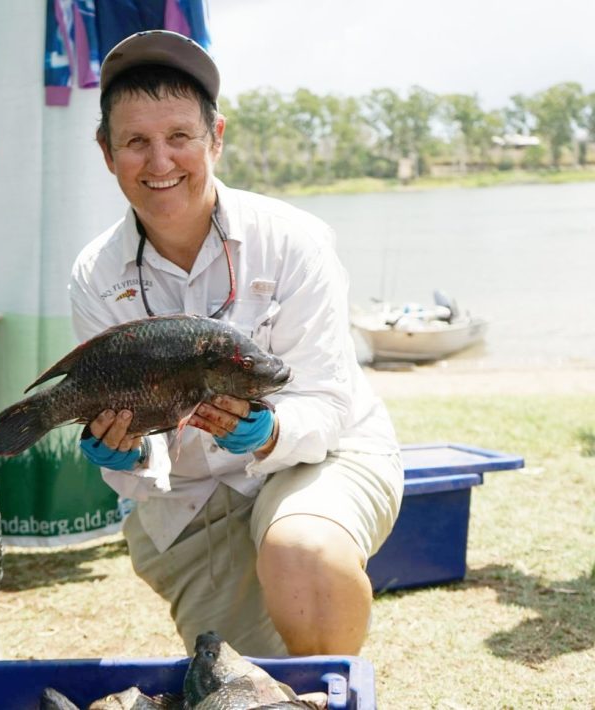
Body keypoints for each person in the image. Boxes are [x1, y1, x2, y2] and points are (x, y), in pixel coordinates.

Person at [68, 30, 403, 658]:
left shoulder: (294, 241)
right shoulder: (96, 274)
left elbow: (327, 403)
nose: (159, 162)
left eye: (179, 137)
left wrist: (267, 432)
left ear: (215, 137)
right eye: (136, 141)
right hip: (190, 500)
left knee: (302, 556)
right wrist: (122, 453)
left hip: (319, 456)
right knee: (252, 685)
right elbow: (129, 441)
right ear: (107, 153)